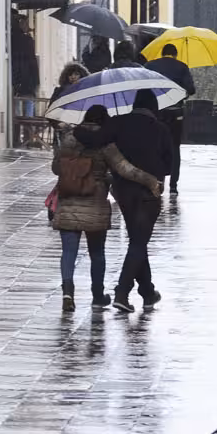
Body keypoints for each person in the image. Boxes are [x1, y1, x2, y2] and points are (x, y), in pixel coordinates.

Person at [52, 105, 162, 312]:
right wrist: (150, 181)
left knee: (68, 251)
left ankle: (67, 292)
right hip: (95, 204)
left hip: (68, 202)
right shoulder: (106, 144)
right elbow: (126, 169)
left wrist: (73, 170)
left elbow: (56, 168)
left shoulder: (68, 139)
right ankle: (97, 296)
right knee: (97, 252)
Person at [76, 89, 172, 313]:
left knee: (138, 241)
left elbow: (94, 140)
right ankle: (122, 292)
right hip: (150, 193)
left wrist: (76, 130)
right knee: (138, 242)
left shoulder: (119, 123)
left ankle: (147, 292)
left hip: (124, 193)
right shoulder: (161, 129)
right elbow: (170, 166)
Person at [145, 43, 196, 197]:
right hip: (175, 114)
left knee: (155, 147)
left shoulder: (149, 66)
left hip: (156, 114)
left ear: (162, 53)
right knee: (174, 148)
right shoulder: (181, 67)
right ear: (175, 54)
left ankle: (158, 181)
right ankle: (173, 185)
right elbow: (191, 89)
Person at [11, 14, 40, 119]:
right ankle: (28, 130)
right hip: (26, 76)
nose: (28, 25)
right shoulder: (26, 40)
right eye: (26, 23)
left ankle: (20, 128)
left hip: (18, 75)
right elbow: (32, 61)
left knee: (19, 103)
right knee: (28, 102)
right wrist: (36, 79)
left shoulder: (13, 38)